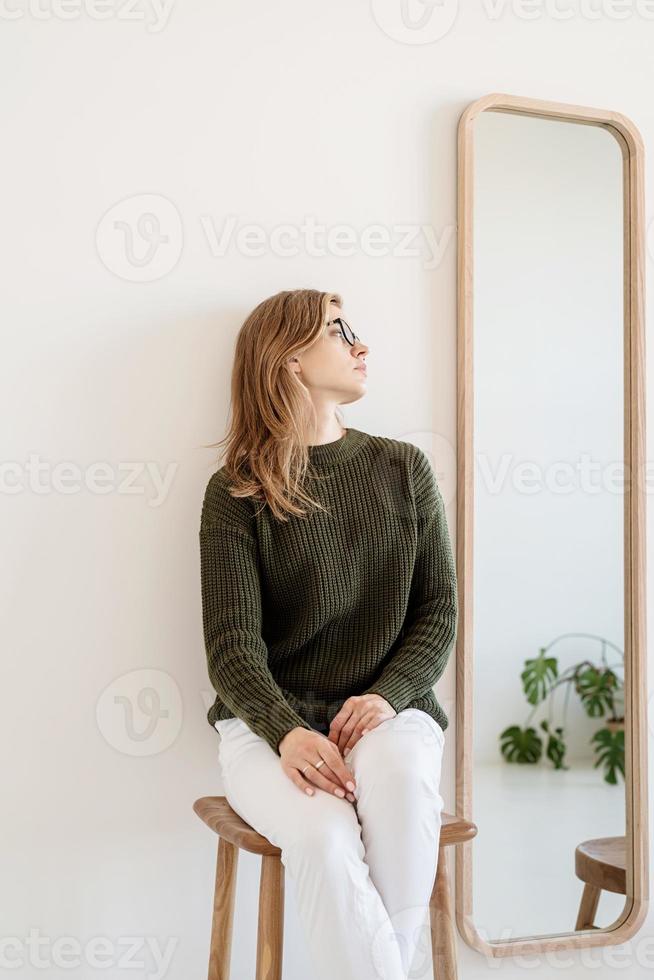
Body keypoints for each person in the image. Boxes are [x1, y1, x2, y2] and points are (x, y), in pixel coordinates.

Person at [198, 288, 458, 980]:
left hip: (387, 711)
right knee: (324, 839)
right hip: (266, 727)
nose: (361, 345)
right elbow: (232, 647)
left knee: (400, 776)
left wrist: (390, 695)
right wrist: (287, 731)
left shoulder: (402, 469)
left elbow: (438, 610)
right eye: (340, 332)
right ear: (288, 360)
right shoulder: (236, 491)